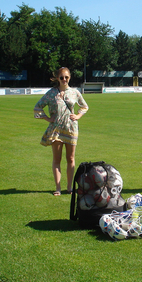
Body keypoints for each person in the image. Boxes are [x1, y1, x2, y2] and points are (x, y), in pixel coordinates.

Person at [34, 67, 89, 196]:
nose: (64, 80)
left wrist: (78, 116)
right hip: (56, 129)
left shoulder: (75, 93)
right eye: (62, 77)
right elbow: (38, 107)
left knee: (70, 158)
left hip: (71, 128)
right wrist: (48, 118)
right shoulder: (51, 93)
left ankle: (69, 187)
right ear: (58, 78)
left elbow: (84, 106)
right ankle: (58, 187)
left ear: (69, 78)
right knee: (56, 159)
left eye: (66, 77)